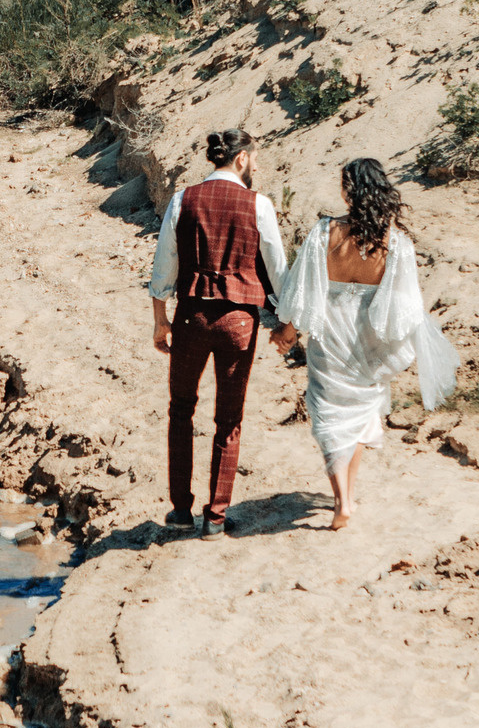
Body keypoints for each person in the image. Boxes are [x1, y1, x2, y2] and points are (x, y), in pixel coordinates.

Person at [272, 157, 460, 530]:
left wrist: (288, 330)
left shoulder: (325, 232)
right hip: (370, 335)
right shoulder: (396, 242)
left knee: (327, 413)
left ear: (349, 191)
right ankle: (347, 499)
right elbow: (406, 304)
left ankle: (342, 497)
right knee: (359, 414)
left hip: (331, 334)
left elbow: (302, 287)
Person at [147, 128, 296, 536]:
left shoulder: (184, 199)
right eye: (255, 159)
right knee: (229, 418)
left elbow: (165, 263)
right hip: (239, 321)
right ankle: (215, 517)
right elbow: (278, 271)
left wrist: (160, 318)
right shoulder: (258, 204)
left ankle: (181, 509)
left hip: (191, 317)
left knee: (181, 409)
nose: (256, 167)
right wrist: (287, 323)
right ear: (242, 158)